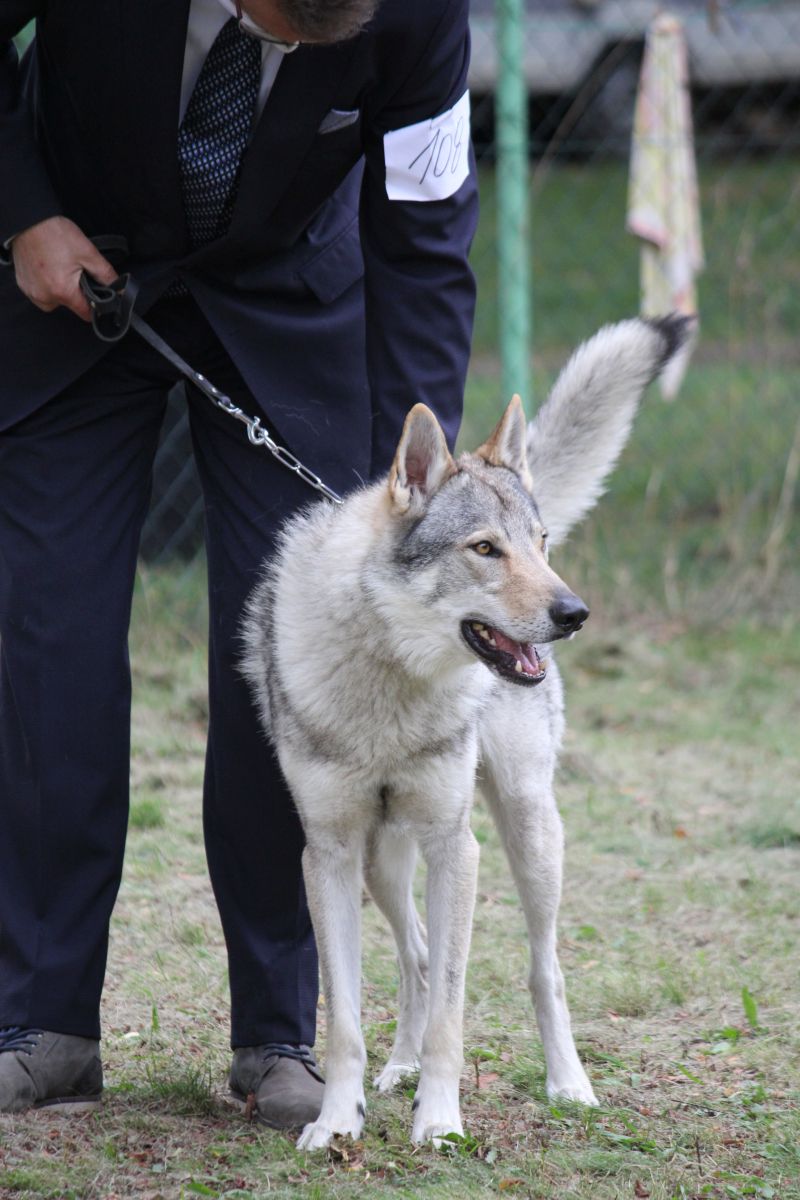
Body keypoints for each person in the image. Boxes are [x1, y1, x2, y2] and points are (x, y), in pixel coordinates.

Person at [0, 0, 478, 1126]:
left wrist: (416, 495)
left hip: (286, 296)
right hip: (77, 271)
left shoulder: (418, 10)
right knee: (47, 639)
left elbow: (424, 230)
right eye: (279, 33)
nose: (303, 64)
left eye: (329, 47)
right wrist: (25, 212)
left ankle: (278, 1033)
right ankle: (42, 1020)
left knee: (292, 665)